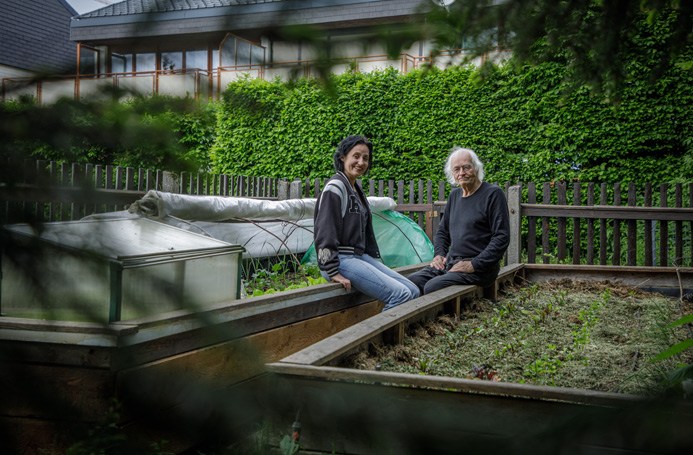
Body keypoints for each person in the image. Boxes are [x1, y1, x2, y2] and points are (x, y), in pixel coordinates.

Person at [313, 135, 420, 310]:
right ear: (343, 157)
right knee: (401, 295)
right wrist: (332, 271)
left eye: (365, 158)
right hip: (340, 259)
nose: (361, 162)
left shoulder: (355, 188)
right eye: (356, 156)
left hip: (357, 257)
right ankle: (378, 336)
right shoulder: (336, 187)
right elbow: (325, 230)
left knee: (413, 290)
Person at [408, 147, 509, 294]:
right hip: (451, 263)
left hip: (480, 269)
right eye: (456, 169)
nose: (462, 173)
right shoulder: (454, 195)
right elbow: (443, 232)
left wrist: (474, 264)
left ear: (476, 167)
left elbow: (501, 237)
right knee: (410, 282)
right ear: (452, 173)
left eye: (466, 167)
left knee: (432, 287)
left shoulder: (493, 194)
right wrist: (439, 255)